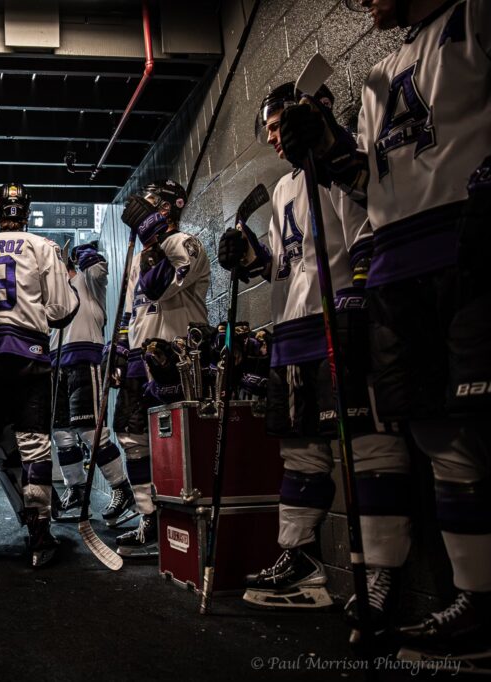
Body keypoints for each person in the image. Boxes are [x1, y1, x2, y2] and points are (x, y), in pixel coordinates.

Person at [283, 0, 490, 662]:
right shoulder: (379, 72)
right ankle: (478, 605)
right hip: (400, 275)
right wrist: (328, 149)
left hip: (466, 253)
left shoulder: (474, 17)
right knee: (439, 436)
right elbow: (369, 184)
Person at [218, 82, 414, 622]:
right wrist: (250, 257)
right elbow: (285, 264)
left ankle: (382, 571)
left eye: (278, 125)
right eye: (268, 129)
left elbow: (367, 234)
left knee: (371, 448)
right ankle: (301, 558)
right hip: (292, 330)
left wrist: (357, 304)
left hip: (339, 322)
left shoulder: (338, 163)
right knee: (301, 452)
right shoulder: (284, 187)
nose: (273, 137)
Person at [0, 182, 79, 568]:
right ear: (26, 211)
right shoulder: (43, 247)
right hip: (28, 357)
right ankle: (39, 537)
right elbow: (60, 310)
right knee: (34, 446)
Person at [115, 179, 210, 557]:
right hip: (141, 356)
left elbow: (159, 287)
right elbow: (131, 310)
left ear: (170, 207)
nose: (147, 207)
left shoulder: (185, 243)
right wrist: (119, 350)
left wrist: (153, 238)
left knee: (178, 442)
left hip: (177, 355)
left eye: (153, 203)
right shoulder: (139, 256)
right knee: (131, 438)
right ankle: (149, 519)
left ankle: (181, 523)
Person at [51, 244, 128, 513]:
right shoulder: (50, 291)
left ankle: (121, 488)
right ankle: (76, 489)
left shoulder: (87, 281)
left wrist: (80, 251)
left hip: (85, 360)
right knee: (61, 433)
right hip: (55, 364)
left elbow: (97, 268)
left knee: (89, 431)